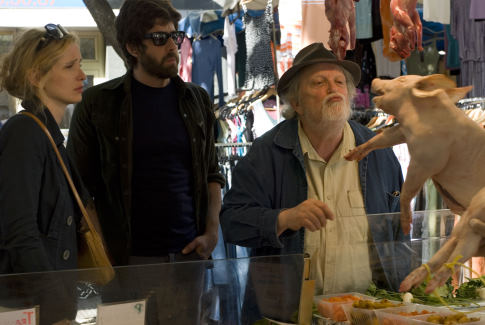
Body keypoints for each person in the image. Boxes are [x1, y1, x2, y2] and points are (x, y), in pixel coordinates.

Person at [66, 0, 225, 322]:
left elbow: (212, 172)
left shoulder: (196, 99)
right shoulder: (99, 103)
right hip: (127, 261)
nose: (172, 46)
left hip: (188, 256)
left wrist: (211, 233)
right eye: (158, 38)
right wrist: (106, 258)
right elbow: (80, 189)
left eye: (174, 36)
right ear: (132, 47)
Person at [220, 43, 410, 303]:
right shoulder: (266, 154)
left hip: (368, 311)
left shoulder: (378, 151)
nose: (333, 89)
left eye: (340, 82)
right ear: (296, 102)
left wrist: (405, 298)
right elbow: (232, 222)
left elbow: (399, 233)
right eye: (319, 83)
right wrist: (284, 218)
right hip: (294, 314)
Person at [0, 24, 87, 324]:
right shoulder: (25, 134)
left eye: (80, 64)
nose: (82, 75)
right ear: (36, 77)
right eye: (69, 66)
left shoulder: (49, 136)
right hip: (31, 308)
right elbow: (20, 231)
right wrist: (57, 306)